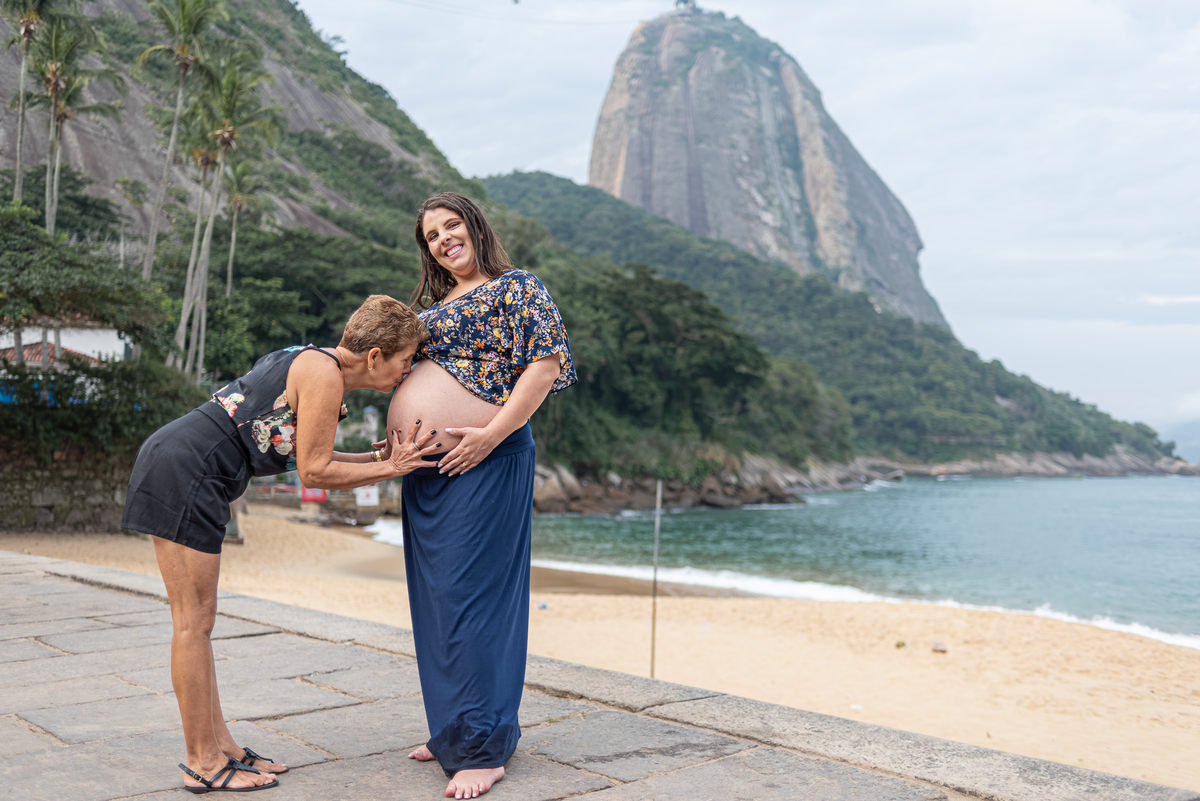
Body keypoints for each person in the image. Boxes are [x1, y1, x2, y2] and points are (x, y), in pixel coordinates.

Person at [122, 296, 439, 794]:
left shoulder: (314, 360)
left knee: (198, 622)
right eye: (406, 359)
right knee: (192, 621)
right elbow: (314, 470)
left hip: (189, 465)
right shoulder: (324, 376)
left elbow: (306, 446)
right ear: (375, 356)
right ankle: (202, 762)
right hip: (188, 469)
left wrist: (369, 456)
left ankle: (222, 746)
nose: (408, 370)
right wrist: (393, 468)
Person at [383, 192, 576, 799]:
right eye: (431, 235)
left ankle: (485, 748)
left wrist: (492, 435)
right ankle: (453, 731)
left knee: (476, 599)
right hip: (428, 473)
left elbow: (543, 366)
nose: (443, 239)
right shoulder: (434, 307)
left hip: (486, 461)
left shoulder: (517, 287)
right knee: (437, 602)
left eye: (450, 225)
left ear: (474, 226)